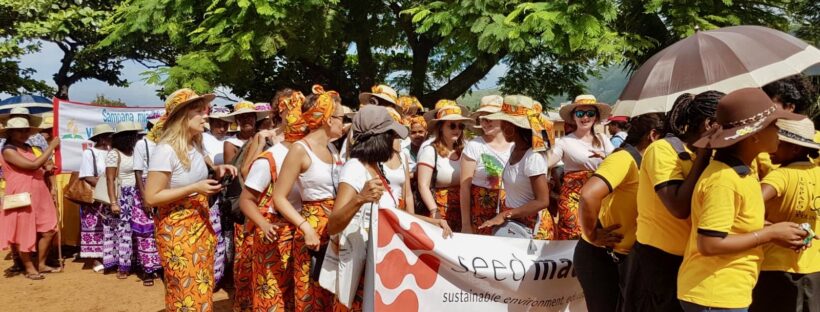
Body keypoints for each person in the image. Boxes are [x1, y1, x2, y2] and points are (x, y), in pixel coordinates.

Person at [678, 88, 810, 312]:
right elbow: (709, 243)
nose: (779, 132)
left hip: (729, 291)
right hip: (714, 294)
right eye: (774, 126)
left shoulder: (745, 172)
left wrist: (776, 231)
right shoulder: (724, 180)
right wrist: (768, 234)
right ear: (754, 135)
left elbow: (735, 226)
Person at [328, 105, 452, 311]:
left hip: (378, 264)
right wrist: (360, 199)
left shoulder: (377, 167)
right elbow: (333, 225)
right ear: (378, 137)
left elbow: (391, 212)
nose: (396, 141)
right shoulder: (354, 168)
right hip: (360, 268)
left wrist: (433, 222)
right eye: (391, 134)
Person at [622, 91, 721, 312]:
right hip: (657, 263)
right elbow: (678, 207)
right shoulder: (663, 150)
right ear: (709, 124)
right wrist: (704, 155)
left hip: (689, 262)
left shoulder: (707, 157)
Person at [144, 88, 237, 311]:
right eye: (198, 111)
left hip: (200, 226)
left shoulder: (196, 143)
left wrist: (218, 168)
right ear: (182, 116)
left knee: (202, 286)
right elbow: (151, 197)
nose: (205, 115)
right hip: (177, 231)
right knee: (186, 291)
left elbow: (203, 167)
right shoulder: (166, 150)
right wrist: (194, 188)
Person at [575, 113, 665, 312]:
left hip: (626, 258)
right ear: (653, 135)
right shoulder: (624, 159)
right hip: (601, 258)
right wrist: (593, 234)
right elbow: (588, 195)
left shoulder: (646, 163)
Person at [271, 84, 346, 311]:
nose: (344, 123)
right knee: (311, 295)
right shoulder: (300, 150)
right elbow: (279, 197)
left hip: (336, 226)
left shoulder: (334, 149)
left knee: (332, 294)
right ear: (327, 119)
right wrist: (306, 228)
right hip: (313, 231)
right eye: (341, 118)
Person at [238, 88, 305, 311]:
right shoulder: (271, 151)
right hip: (273, 227)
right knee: (272, 294)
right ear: (281, 112)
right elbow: (247, 191)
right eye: (292, 109)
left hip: (301, 229)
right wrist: (263, 223)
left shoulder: (312, 147)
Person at [751, 117, 820, 312]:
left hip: (775, 270)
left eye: (778, 143)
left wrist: (769, 228)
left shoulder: (780, 176)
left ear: (796, 148)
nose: (770, 149)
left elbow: (747, 208)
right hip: (814, 269)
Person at [478, 95, 550, 236]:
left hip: (532, 228)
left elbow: (542, 201)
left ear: (513, 127)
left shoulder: (533, 158)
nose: (502, 127)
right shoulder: (513, 150)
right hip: (515, 223)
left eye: (504, 122)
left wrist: (505, 215)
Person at [219, 100, 267, 310]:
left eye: (250, 117)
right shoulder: (231, 144)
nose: (247, 120)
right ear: (236, 121)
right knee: (244, 252)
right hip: (242, 200)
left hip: (261, 200)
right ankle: (243, 297)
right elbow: (236, 172)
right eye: (242, 118)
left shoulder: (265, 139)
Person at [0, 116, 61, 280]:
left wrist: (47, 167)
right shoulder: (8, 150)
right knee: (24, 230)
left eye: (26, 130)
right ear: (11, 133)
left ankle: (40, 263)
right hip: (21, 192)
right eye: (20, 131)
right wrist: (51, 147)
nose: (24, 134)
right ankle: (29, 267)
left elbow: (38, 166)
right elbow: (32, 165)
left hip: (40, 190)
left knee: (49, 228)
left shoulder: (28, 147)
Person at [549, 95, 614, 239]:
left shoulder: (604, 140)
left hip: (600, 197)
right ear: (573, 117)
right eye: (580, 113)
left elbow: (616, 161)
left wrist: (604, 157)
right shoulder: (564, 142)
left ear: (596, 117)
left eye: (590, 113)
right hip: (572, 199)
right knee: (574, 236)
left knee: (600, 235)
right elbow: (548, 162)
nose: (585, 117)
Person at [103, 121, 160, 285]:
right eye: (133, 135)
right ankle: (123, 266)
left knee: (139, 231)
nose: (136, 137)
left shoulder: (135, 151)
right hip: (123, 196)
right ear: (126, 137)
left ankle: (139, 263)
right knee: (124, 232)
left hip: (136, 194)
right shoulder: (115, 154)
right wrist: (113, 202)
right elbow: (110, 179)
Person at [460, 95, 513, 235]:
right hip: (481, 215)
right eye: (482, 119)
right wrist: (466, 224)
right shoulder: (474, 146)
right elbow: (465, 187)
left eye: (490, 117)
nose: (485, 122)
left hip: (512, 213)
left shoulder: (516, 145)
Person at [417, 101, 472, 232]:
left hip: (464, 211)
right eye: (452, 126)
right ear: (441, 127)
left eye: (460, 126)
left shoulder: (467, 150)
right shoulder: (430, 151)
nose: (457, 130)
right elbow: (422, 185)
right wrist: (434, 211)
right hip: (439, 210)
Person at [77, 124, 114, 273]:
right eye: (109, 136)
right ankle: (94, 258)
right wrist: (105, 187)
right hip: (96, 196)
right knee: (94, 226)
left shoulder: (113, 152)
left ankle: (109, 256)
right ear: (102, 138)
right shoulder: (89, 153)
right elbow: (87, 176)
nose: (112, 139)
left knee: (110, 226)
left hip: (111, 194)